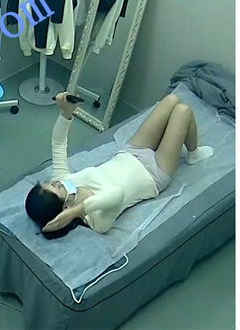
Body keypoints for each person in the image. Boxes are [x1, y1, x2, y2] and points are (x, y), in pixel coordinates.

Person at [26, 92, 215, 238]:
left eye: (51, 182)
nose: (58, 182)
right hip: (154, 173)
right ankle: (194, 154)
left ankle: (173, 141)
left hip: (131, 152)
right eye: (57, 187)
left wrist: (66, 113)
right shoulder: (97, 220)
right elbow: (117, 194)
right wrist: (77, 211)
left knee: (172, 100)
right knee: (183, 111)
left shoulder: (64, 179)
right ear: (65, 207)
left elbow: (58, 143)